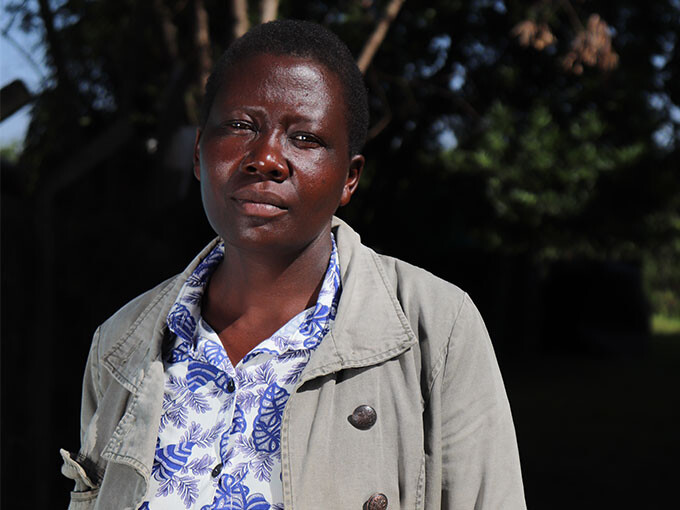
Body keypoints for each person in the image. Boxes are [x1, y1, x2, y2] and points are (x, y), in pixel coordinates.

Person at [61, 19, 526, 510]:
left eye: (304, 138)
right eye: (241, 126)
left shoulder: (437, 327)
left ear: (349, 178)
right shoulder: (122, 343)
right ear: (199, 152)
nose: (265, 158)